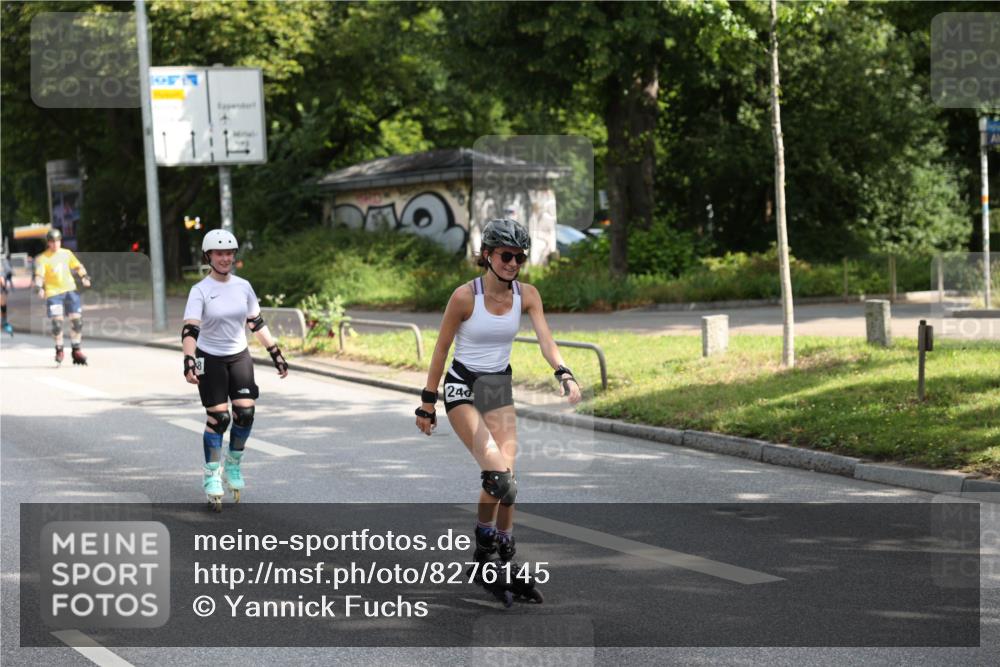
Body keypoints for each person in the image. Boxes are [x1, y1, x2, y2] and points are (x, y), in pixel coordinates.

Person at [414, 218, 582, 604]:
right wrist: (427, 401)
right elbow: (440, 350)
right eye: (507, 255)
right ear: (487, 255)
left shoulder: (528, 295)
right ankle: (483, 554)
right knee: (497, 476)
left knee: (509, 485)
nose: (513, 263)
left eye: (520, 257)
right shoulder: (464, 297)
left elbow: (547, 341)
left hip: (497, 388)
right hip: (462, 386)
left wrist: (564, 373)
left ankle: (505, 557)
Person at [182, 229, 289, 511]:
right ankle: (211, 474)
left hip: (238, 354)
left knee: (245, 412)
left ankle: (233, 464)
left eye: (230, 253)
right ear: (209, 256)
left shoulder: (243, 286)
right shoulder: (200, 290)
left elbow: (256, 323)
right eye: (220, 253)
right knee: (219, 418)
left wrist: (275, 353)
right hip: (210, 357)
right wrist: (189, 359)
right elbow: (191, 329)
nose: (226, 258)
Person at [34, 229, 90, 364]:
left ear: (60, 241)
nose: (55, 244)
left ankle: (76, 350)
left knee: (77, 322)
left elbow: (78, 266)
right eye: (52, 242)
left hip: (70, 291)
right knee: (57, 324)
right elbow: (39, 276)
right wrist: (39, 287)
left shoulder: (66, 253)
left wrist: (84, 276)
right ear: (48, 243)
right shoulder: (43, 258)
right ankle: (59, 349)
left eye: (57, 241)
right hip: (54, 294)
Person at [1, 241, 13, 336]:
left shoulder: (3, 260)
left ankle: (4, 323)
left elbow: (8, 272)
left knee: (3, 306)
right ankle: (4, 323)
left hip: (1, 289)